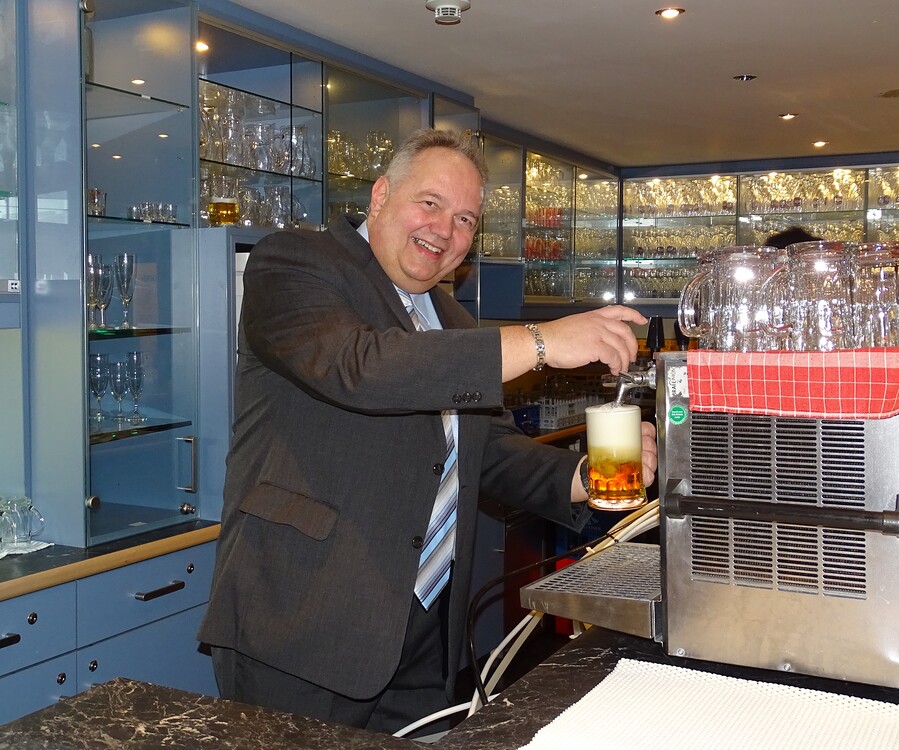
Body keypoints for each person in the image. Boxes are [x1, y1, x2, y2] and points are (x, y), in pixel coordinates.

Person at [197, 128, 657, 735]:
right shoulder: (293, 262)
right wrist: (542, 341)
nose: (444, 230)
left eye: (465, 219)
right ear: (381, 195)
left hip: (421, 631)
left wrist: (586, 475)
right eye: (430, 203)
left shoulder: (450, 318)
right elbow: (360, 367)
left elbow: (485, 451)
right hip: (300, 622)